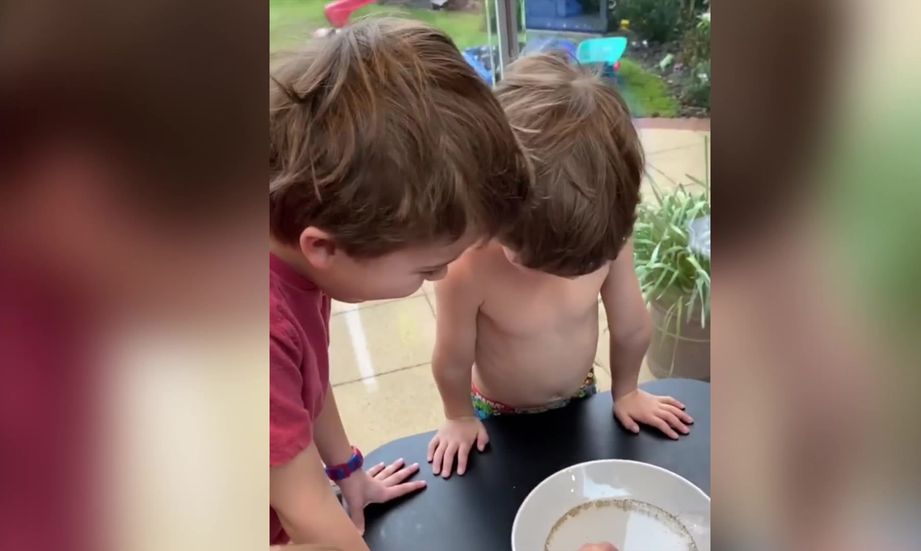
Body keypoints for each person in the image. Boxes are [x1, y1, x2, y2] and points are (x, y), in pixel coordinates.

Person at [268, 19, 530, 548]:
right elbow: (308, 518)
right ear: (325, 246)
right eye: (429, 268)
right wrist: (324, 508)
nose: (440, 279)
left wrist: (348, 474)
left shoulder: (297, 250)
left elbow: (307, 386)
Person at [427, 53, 694, 478]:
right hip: (497, 412)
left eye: (571, 263)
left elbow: (631, 326)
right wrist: (458, 416)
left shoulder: (607, 237)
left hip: (579, 397)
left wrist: (626, 391)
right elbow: (452, 358)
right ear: (495, 201)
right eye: (525, 253)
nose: (548, 273)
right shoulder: (469, 265)